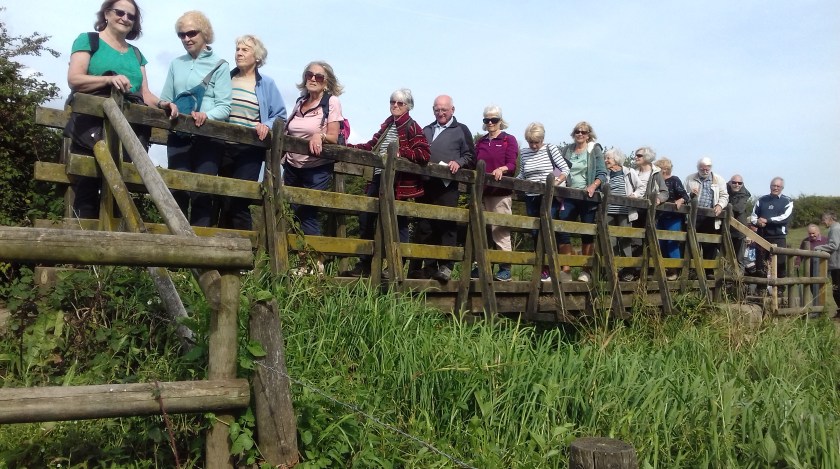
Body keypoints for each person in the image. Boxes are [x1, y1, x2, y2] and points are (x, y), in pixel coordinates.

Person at [67, 0, 163, 218]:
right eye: (120, 12)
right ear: (107, 14)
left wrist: (163, 104)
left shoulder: (136, 54)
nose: (125, 18)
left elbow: (145, 94)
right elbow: (74, 79)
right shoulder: (89, 40)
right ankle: (84, 237)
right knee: (88, 185)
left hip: (128, 130)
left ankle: (118, 238)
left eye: (131, 16)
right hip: (92, 124)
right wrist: (108, 80)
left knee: (121, 188)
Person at [157, 11, 232, 227]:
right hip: (179, 134)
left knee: (202, 192)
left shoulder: (220, 65)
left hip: (208, 137)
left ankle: (200, 244)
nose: (186, 38)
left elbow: (224, 106)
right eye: (181, 35)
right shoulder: (175, 64)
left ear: (204, 33)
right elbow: (165, 97)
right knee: (177, 187)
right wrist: (166, 105)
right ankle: (176, 242)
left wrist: (207, 115)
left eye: (192, 33)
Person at [346, 89, 430, 277]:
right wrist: (350, 148)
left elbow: (424, 154)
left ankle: (396, 266)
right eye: (393, 102)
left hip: (397, 183)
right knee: (366, 217)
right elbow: (372, 146)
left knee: (397, 222)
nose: (395, 106)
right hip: (377, 178)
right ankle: (365, 264)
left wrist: (402, 153)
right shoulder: (387, 125)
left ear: (408, 106)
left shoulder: (412, 127)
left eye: (400, 103)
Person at [218, 35, 286, 230]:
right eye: (237, 49)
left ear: (257, 57)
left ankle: (247, 245)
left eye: (245, 50)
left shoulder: (266, 84)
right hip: (222, 146)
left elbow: (280, 115)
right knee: (222, 197)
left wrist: (266, 124)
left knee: (240, 199)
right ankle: (223, 245)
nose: (239, 53)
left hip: (249, 149)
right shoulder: (225, 79)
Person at [408, 95, 474, 282]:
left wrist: (459, 162)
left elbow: (470, 156)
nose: (440, 113)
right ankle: (429, 266)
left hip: (447, 185)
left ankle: (446, 266)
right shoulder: (427, 129)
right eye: (437, 109)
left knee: (447, 225)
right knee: (425, 226)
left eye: (444, 109)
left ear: (452, 110)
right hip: (426, 183)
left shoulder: (461, 130)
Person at [283, 61, 344, 237]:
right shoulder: (300, 102)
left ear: (327, 82)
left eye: (319, 77)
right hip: (292, 165)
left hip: (316, 167)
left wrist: (320, 135)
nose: (313, 79)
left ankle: (315, 254)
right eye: (309, 75)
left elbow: (333, 136)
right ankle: (299, 252)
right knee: (291, 211)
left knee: (307, 213)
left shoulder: (331, 102)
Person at [515, 122, 569, 281]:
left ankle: (553, 267)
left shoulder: (550, 149)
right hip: (531, 195)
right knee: (535, 231)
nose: (533, 145)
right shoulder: (524, 152)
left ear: (542, 139)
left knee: (548, 229)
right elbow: (523, 174)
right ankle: (542, 269)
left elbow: (565, 169)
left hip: (548, 196)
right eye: (530, 142)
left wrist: (556, 183)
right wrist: (512, 183)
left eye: (536, 142)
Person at [557, 121, 607, 282]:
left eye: (583, 132)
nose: (580, 134)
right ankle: (566, 269)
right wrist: (555, 182)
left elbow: (602, 173)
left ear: (588, 135)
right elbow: (558, 169)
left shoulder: (594, 149)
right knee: (562, 227)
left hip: (587, 196)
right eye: (577, 131)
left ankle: (586, 270)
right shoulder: (567, 150)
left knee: (587, 231)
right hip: (569, 194)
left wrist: (593, 186)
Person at [475, 105, 518, 281]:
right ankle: (480, 266)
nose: (490, 123)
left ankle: (505, 268)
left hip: (500, 193)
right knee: (481, 230)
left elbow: (512, 164)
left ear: (500, 120)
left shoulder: (508, 139)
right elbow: (473, 162)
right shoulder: (481, 141)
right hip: (482, 193)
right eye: (487, 120)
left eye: (494, 119)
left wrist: (502, 168)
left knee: (500, 230)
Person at [684, 157, 729, 278]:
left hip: (711, 216)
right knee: (693, 243)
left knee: (710, 244)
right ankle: (692, 272)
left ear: (710, 168)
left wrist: (720, 205)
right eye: (702, 169)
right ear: (698, 168)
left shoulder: (719, 180)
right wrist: (690, 194)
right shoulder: (689, 178)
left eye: (707, 169)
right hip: (694, 216)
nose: (705, 171)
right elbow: (683, 195)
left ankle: (708, 272)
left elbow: (724, 196)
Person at [604, 148, 641, 281]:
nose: (606, 160)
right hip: (609, 211)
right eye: (605, 158)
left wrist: (634, 195)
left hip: (625, 211)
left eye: (608, 158)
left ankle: (628, 271)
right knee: (611, 240)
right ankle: (614, 270)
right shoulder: (606, 174)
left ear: (616, 160)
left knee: (625, 240)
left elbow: (640, 187)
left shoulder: (629, 172)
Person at [750, 177, 793, 291]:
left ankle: (780, 290)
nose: (776, 188)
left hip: (778, 236)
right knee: (760, 263)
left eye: (778, 186)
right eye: (774, 185)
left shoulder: (787, 201)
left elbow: (785, 217)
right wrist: (757, 222)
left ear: (782, 188)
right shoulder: (761, 200)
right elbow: (753, 216)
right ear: (770, 186)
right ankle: (761, 289)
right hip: (762, 236)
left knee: (780, 263)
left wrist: (767, 220)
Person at [653, 157, 689, 280]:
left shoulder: (674, 180)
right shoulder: (656, 181)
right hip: (659, 216)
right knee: (660, 242)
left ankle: (674, 270)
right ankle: (662, 269)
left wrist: (680, 200)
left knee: (672, 242)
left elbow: (685, 195)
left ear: (664, 169)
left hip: (673, 216)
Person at [815, 212, 840, 318]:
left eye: (824, 220)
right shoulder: (836, 228)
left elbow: (834, 245)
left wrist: (818, 248)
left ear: (830, 219)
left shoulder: (835, 229)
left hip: (837, 264)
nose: (822, 222)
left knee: (837, 289)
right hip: (837, 264)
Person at [796, 223, 828, 304]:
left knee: (821, 286)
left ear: (818, 232)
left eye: (813, 233)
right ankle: (816, 304)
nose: (811, 235)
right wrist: (797, 263)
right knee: (811, 286)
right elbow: (800, 254)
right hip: (810, 267)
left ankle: (821, 304)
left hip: (822, 267)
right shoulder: (805, 241)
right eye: (810, 233)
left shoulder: (825, 240)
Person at [727, 174, 752, 272]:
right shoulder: (724, 190)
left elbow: (739, 208)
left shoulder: (744, 194)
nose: (737, 185)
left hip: (740, 230)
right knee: (727, 258)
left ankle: (739, 279)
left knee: (739, 259)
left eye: (739, 183)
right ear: (730, 183)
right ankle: (726, 279)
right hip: (727, 229)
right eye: (734, 182)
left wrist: (726, 206)